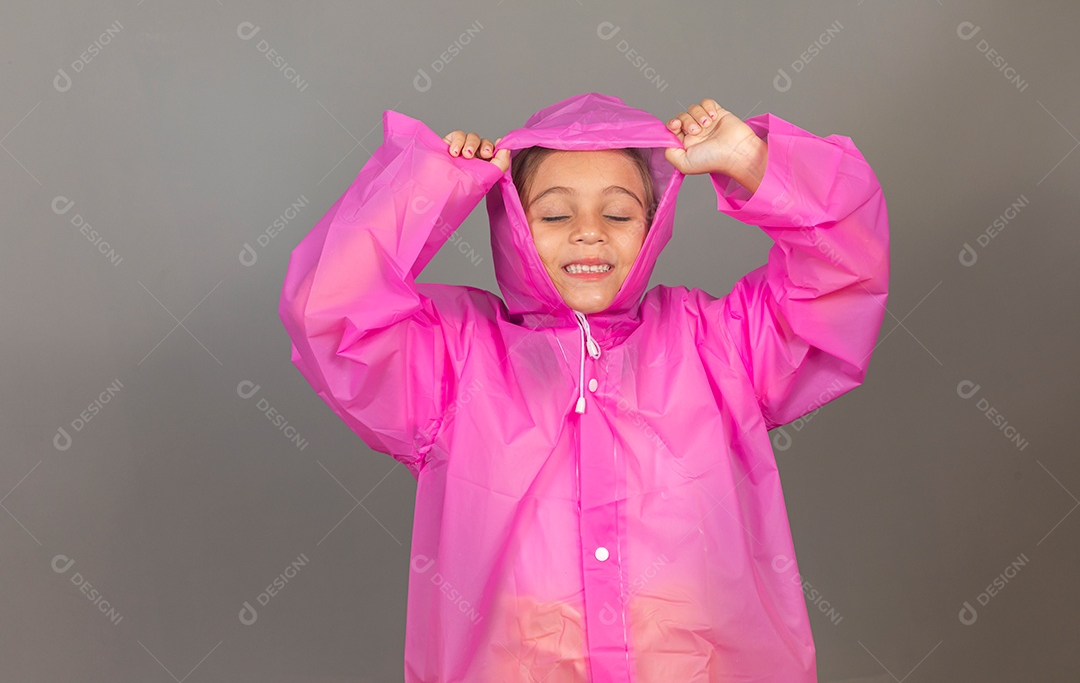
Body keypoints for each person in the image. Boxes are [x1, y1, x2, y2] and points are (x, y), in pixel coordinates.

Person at [279, 93, 889, 682]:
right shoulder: (451, 360)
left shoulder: (720, 348)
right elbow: (328, 310)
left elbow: (844, 271)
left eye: (619, 213)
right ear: (514, 223)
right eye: (553, 213)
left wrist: (753, 163)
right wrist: (427, 188)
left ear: (652, 227)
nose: (589, 232)